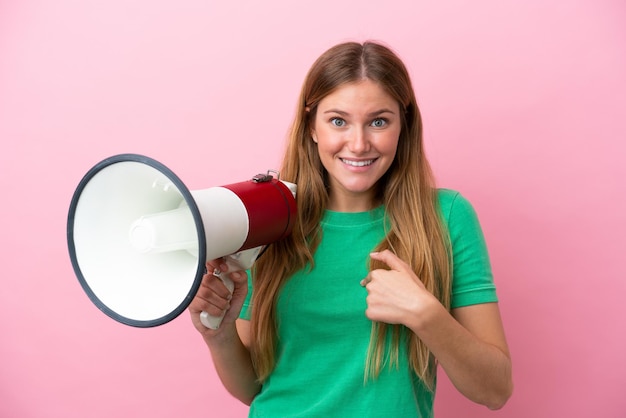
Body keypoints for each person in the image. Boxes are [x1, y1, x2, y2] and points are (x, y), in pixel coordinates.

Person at [189, 40, 513, 417]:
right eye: (338, 121)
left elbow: (495, 390)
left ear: (402, 126)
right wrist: (220, 335)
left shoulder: (446, 216)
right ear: (312, 126)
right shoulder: (270, 219)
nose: (358, 145)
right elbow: (254, 389)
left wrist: (426, 314)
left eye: (379, 121)